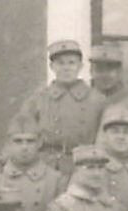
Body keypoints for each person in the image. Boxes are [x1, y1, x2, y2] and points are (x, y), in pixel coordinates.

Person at [20, 39, 108, 169]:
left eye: (71, 63)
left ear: (80, 66)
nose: (66, 68)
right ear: (52, 66)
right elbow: (22, 132)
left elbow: (104, 139)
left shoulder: (97, 99)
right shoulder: (39, 99)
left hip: (83, 165)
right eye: (60, 63)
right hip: (46, 165)